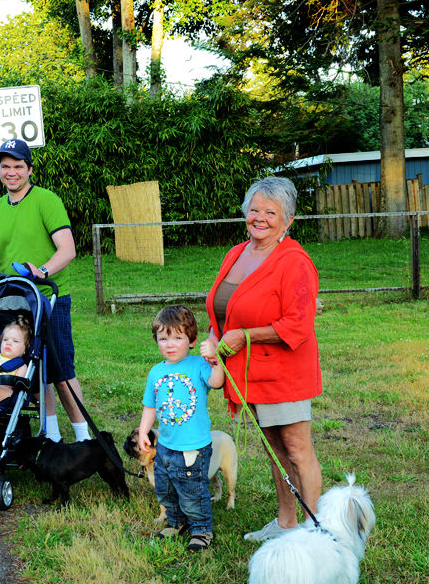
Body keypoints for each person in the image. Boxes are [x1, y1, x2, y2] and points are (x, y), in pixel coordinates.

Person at [199, 176, 323, 543]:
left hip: (284, 372)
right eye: (254, 210)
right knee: (274, 450)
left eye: (271, 212)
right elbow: (223, 308)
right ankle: (286, 523)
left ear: (288, 221)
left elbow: (297, 325)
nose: (260, 218)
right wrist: (214, 334)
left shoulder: (294, 261)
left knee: (297, 450)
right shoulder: (236, 254)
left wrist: (243, 337)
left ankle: (313, 530)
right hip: (251, 371)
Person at [0, 138, 88, 442]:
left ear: (29, 169)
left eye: (18, 166)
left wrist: (40, 271)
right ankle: (51, 437)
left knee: (61, 371)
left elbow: (67, 250)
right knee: (31, 371)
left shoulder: (46, 200)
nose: (11, 172)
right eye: (5, 166)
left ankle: (84, 439)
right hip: (11, 300)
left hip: (48, 298)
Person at [137, 305, 225, 552]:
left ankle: (201, 529)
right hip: (165, 446)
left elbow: (217, 382)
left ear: (192, 340)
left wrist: (217, 360)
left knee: (193, 492)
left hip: (193, 448)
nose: (170, 344)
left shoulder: (199, 365)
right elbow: (150, 406)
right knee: (166, 489)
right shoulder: (156, 372)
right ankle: (176, 522)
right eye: (163, 338)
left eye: (178, 337)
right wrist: (144, 431)